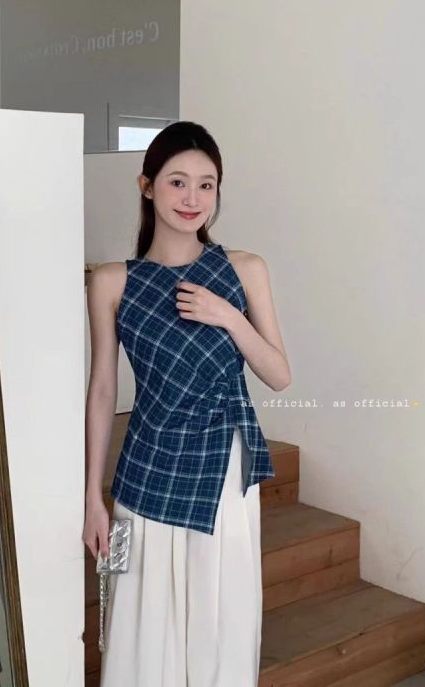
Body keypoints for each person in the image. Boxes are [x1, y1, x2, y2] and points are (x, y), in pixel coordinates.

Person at [83, 120, 292, 687]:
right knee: (136, 615)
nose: (192, 198)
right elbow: (103, 390)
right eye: (177, 182)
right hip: (144, 467)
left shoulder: (245, 269)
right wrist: (93, 498)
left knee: (219, 617)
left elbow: (279, 375)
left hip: (224, 465)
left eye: (207, 184)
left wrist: (228, 316)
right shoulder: (112, 281)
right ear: (146, 186)